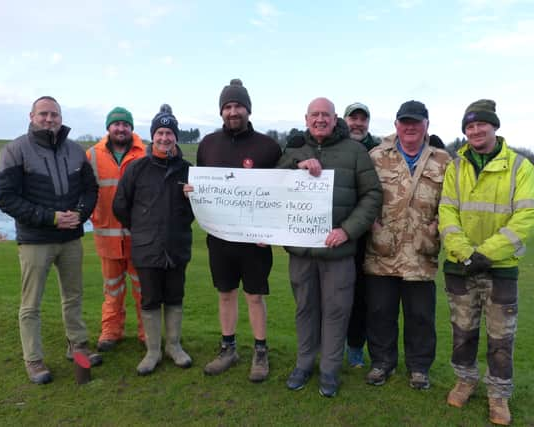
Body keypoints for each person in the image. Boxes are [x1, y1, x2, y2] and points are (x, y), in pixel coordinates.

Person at [439, 99, 534, 425]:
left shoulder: (520, 167)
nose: (476, 131)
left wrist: (486, 254)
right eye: (469, 127)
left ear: (494, 126)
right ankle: (465, 380)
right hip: (460, 265)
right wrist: (468, 255)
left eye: (481, 124)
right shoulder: (455, 167)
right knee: (462, 331)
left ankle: (498, 395)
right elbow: (447, 214)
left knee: (501, 338)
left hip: (501, 268)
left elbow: (526, 216)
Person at [277, 97, 382, 397]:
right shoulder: (295, 149)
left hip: (337, 253)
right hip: (301, 253)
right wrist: (297, 165)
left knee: (336, 312)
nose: (320, 119)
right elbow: (274, 182)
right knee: (305, 310)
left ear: (336, 118)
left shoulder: (355, 152)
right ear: (306, 118)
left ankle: (330, 370)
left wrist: (347, 230)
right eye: (315, 115)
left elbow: (372, 195)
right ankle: (304, 363)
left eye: (326, 114)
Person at [0, 96, 101, 385]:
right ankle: (34, 359)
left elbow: (90, 190)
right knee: (31, 304)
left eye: (54, 114)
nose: (49, 119)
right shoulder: (14, 151)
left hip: (70, 238)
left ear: (61, 117)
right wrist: (51, 218)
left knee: (74, 296)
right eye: (43, 114)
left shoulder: (76, 151)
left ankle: (77, 346)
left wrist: (79, 214)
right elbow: (6, 198)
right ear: (31, 116)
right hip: (35, 240)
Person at [195, 79, 282, 382]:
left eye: (238, 106)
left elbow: (280, 194)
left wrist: (268, 231)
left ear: (248, 109)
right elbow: (202, 187)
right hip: (219, 239)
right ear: (222, 111)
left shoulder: (268, 147)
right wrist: (193, 192)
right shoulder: (207, 144)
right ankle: (228, 348)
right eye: (228, 106)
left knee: (255, 296)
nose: (233, 111)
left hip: (255, 241)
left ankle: (260, 351)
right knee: (225, 293)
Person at [364, 100, 451, 390]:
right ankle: (381, 363)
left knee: (421, 316)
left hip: (420, 254)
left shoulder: (443, 161)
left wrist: (436, 228)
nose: (410, 126)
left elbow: (452, 203)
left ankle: (419, 368)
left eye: (416, 122)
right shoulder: (376, 156)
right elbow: (364, 196)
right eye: (404, 122)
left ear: (427, 125)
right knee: (379, 313)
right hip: (382, 251)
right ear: (396, 125)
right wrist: (374, 227)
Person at [113, 104, 194, 376]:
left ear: (176, 137)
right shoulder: (137, 169)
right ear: (152, 136)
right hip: (146, 248)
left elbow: (199, 209)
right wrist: (142, 228)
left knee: (174, 297)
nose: (164, 138)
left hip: (177, 246)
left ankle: (174, 346)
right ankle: (153, 351)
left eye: (169, 133)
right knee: (149, 300)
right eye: (159, 132)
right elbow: (120, 206)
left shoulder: (187, 170)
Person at [87, 107, 147, 352]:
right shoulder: (92, 155)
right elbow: (84, 192)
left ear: (131, 128)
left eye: (125, 124)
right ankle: (111, 331)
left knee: (144, 290)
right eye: (116, 124)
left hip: (139, 237)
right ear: (108, 128)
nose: (121, 128)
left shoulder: (145, 153)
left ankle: (147, 334)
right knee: (112, 289)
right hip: (107, 236)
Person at [342, 102, 380, 368]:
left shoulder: (378, 150)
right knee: (331, 294)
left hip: (368, 236)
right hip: (335, 231)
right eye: (352, 118)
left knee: (362, 296)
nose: (357, 123)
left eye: (362, 119)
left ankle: (355, 346)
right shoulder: (332, 146)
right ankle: (328, 344)